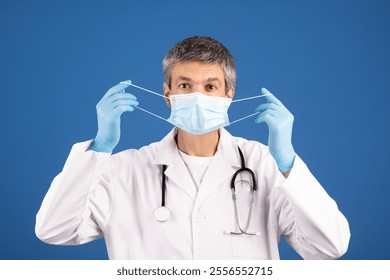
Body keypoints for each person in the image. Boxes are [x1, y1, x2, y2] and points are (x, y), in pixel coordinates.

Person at [35, 36, 350, 259]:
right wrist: (100, 148)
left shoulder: (264, 164)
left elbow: (329, 248)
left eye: (210, 86)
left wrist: (287, 163)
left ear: (229, 95)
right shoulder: (124, 170)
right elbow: (55, 230)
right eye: (185, 85)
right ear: (167, 94)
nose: (198, 96)